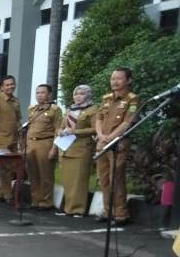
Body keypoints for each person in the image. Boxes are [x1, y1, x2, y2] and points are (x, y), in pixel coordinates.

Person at [94, 67, 138, 224]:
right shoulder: (106, 98)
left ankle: (120, 213)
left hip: (118, 143)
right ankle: (108, 211)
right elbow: (98, 118)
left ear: (128, 80)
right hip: (102, 142)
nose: (115, 81)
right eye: (113, 78)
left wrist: (111, 137)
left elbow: (128, 122)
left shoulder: (132, 99)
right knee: (103, 177)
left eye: (119, 78)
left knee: (116, 177)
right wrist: (100, 135)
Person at [54, 84, 98, 217]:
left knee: (79, 180)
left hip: (81, 148)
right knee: (68, 180)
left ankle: (78, 209)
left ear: (88, 95)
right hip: (67, 148)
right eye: (76, 94)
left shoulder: (93, 110)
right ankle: (68, 208)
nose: (78, 96)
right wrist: (61, 131)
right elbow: (62, 126)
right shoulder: (70, 109)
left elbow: (95, 129)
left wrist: (76, 131)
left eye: (81, 94)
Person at [25, 84, 63, 210]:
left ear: (49, 94)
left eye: (42, 92)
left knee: (45, 173)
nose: (39, 95)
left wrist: (54, 148)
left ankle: (46, 201)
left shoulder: (55, 109)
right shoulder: (32, 109)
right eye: (37, 93)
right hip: (31, 144)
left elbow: (58, 129)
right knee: (33, 173)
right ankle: (35, 199)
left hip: (45, 143)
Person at [0, 74, 21, 201]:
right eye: (7, 85)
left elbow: (18, 120)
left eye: (12, 84)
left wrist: (21, 138)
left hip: (14, 139)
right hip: (1, 139)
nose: (10, 87)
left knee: (11, 167)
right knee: (5, 167)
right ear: (2, 87)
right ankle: (7, 194)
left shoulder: (16, 101)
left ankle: (2, 193)